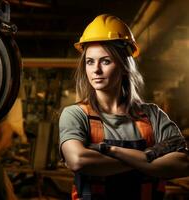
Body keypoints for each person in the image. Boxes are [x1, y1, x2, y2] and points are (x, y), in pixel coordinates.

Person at [59, 14, 189, 200]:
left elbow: (183, 163)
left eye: (105, 61)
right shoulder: (76, 114)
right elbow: (78, 160)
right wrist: (148, 159)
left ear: (123, 65)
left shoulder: (152, 115)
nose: (96, 69)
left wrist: (112, 150)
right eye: (90, 61)